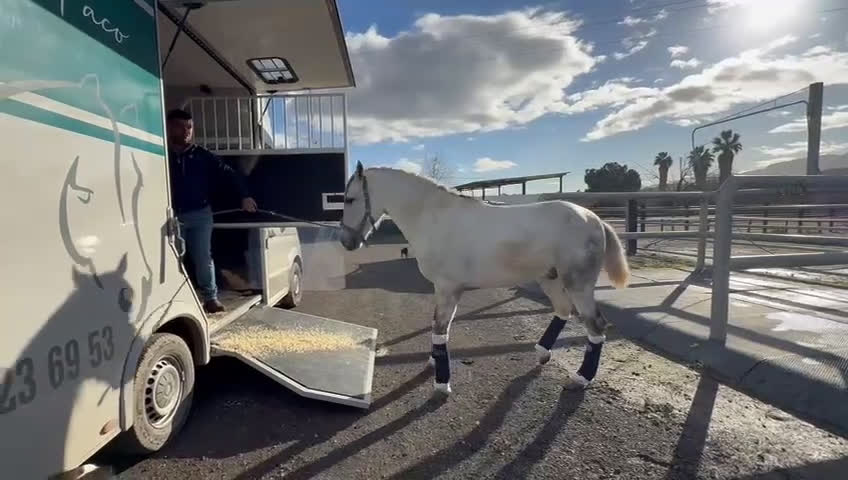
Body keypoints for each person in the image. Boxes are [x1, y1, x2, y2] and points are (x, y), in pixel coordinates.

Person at [166, 108, 258, 313]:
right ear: (170, 128)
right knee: (172, 257)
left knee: (203, 257)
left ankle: (210, 298)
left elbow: (230, 174)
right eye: (182, 127)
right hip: (171, 216)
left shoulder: (202, 155)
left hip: (200, 215)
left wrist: (244, 196)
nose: (187, 131)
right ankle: (173, 299)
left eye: (190, 127)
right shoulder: (162, 155)